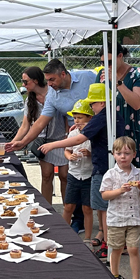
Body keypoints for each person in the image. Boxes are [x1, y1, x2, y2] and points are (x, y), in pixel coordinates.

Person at [39, 83, 124, 260]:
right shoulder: (109, 115)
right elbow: (84, 129)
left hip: (102, 167)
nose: (91, 107)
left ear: (102, 103)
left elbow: (80, 138)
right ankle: (106, 240)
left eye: (92, 103)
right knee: (102, 208)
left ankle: (109, 245)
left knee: (104, 208)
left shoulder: (102, 117)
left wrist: (53, 145)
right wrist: (80, 125)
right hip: (102, 166)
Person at [7, 60, 97, 204]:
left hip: (78, 135)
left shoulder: (86, 76)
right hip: (63, 138)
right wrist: (21, 142)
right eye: (47, 80)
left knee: (71, 176)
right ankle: (60, 210)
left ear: (63, 74)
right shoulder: (50, 96)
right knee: (52, 175)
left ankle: (77, 211)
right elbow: (38, 123)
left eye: (52, 79)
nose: (49, 84)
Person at [100, 136, 140, 279]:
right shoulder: (110, 174)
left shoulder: (139, 174)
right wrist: (120, 191)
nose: (123, 156)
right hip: (116, 219)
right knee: (116, 248)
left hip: (134, 219)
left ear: (134, 155)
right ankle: (115, 275)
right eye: (119, 153)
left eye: (127, 153)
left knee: (133, 249)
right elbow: (105, 195)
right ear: (113, 155)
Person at [97, 42, 140, 168]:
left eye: (109, 61)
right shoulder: (102, 74)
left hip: (128, 125)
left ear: (120, 56)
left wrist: (117, 83)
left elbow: (137, 103)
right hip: (107, 126)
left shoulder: (137, 73)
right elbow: (95, 102)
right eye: (103, 63)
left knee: (129, 170)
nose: (106, 66)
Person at [61, 99, 94, 242]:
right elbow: (67, 150)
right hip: (74, 174)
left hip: (88, 175)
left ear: (90, 118)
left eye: (80, 117)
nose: (77, 121)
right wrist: (70, 156)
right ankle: (64, 234)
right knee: (68, 206)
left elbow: (100, 152)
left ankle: (87, 237)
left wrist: (89, 154)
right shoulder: (73, 134)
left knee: (87, 208)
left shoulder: (94, 134)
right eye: (75, 118)